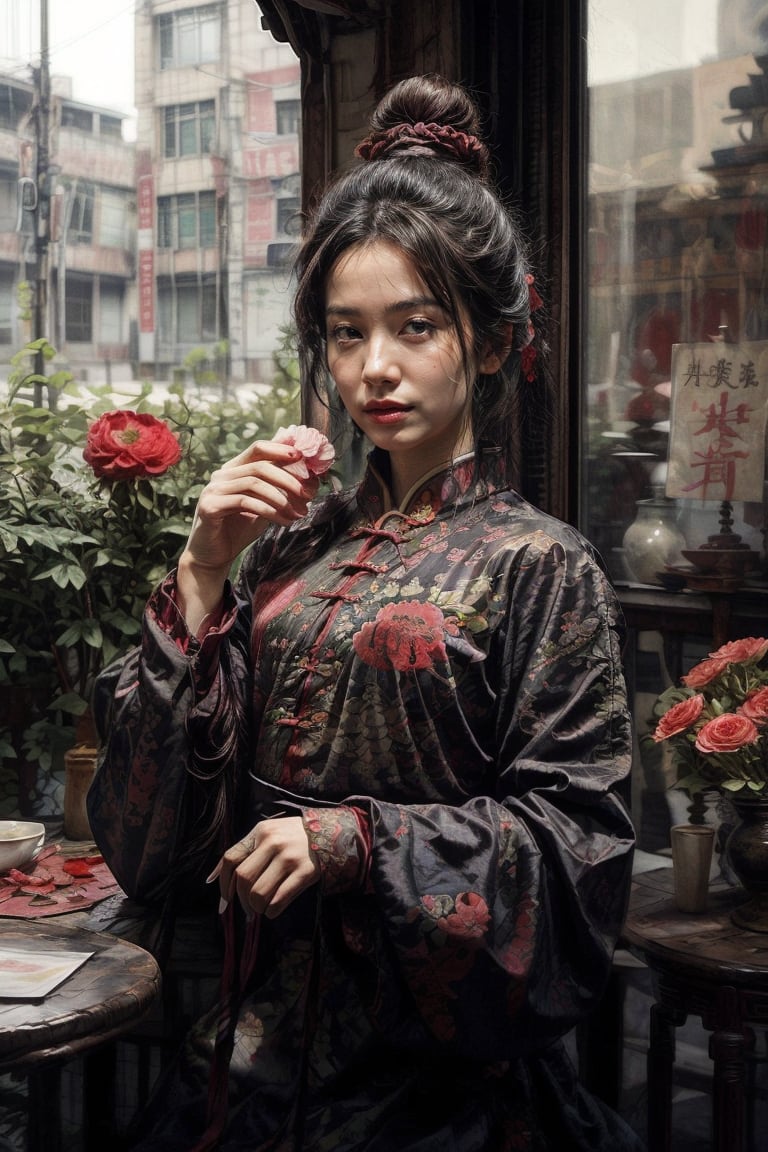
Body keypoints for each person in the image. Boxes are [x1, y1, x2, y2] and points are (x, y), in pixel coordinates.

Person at [89, 74, 643, 1152]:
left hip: (431, 1090)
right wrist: (203, 568)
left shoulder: (542, 566)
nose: (373, 369)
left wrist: (354, 841)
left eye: (415, 326)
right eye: (346, 335)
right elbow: (152, 838)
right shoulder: (294, 545)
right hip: (246, 1065)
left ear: (487, 343)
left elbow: (579, 853)